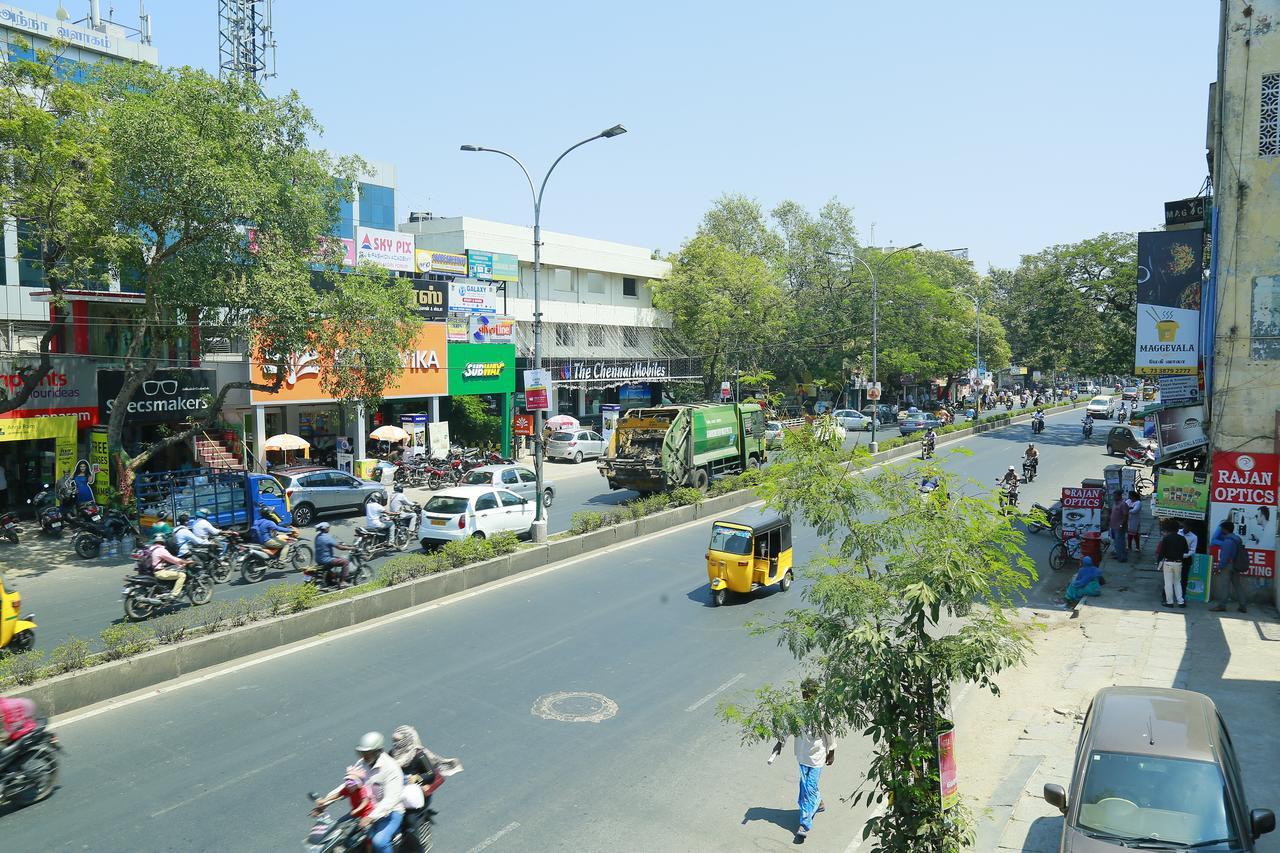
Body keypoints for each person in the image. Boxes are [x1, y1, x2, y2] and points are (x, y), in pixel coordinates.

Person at [770, 679, 835, 840]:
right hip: (802, 754)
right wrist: (780, 743)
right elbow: (789, 728)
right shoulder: (798, 710)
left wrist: (831, 750)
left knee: (808, 787)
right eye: (804, 693)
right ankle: (818, 803)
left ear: (815, 694)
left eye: (809, 694)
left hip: (817, 755)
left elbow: (829, 732)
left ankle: (804, 824)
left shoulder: (822, 711)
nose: (806, 696)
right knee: (806, 785)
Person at [348, 732, 404, 853]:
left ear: (378, 751)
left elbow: (390, 800)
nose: (364, 756)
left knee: (379, 842)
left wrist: (371, 817)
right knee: (343, 836)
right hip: (366, 808)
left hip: (389, 813)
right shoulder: (362, 763)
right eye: (362, 753)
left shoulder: (391, 768)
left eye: (368, 753)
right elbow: (350, 783)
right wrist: (327, 800)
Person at [1209, 520, 1250, 613]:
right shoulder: (1237, 538)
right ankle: (1243, 606)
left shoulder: (1228, 541)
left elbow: (1224, 558)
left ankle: (1222, 605)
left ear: (1224, 529)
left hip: (1228, 566)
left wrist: (1218, 567)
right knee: (1237, 585)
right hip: (1236, 564)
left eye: (1221, 528)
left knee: (1225, 586)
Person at [143, 532, 192, 598]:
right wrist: (185, 562)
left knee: (173, 569)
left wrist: (178, 564)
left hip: (152, 571)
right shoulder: (161, 550)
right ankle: (174, 595)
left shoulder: (151, 548)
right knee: (182, 575)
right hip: (159, 572)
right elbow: (172, 559)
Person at [1155, 519, 1189, 608]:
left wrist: (1158, 562)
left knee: (1168, 583)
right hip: (1178, 563)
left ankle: (1169, 602)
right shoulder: (1182, 538)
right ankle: (1181, 602)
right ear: (1178, 529)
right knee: (1177, 582)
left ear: (1169, 529)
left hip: (1168, 563)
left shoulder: (1166, 538)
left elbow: (1161, 552)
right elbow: (1186, 551)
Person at [313, 522, 352, 588]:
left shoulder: (317, 537)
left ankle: (331, 580)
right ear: (325, 529)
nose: (329, 529)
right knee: (345, 562)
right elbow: (340, 548)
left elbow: (328, 544)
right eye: (328, 528)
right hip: (326, 560)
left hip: (318, 560)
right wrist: (350, 548)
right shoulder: (327, 537)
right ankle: (343, 582)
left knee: (337, 559)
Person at [1179, 523, 1199, 603]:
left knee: (1184, 578)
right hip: (1175, 557)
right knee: (1172, 577)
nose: (1186, 528)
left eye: (1188, 527)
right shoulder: (1178, 532)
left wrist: (1184, 555)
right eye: (1185, 526)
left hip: (1186, 559)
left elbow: (1193, 550)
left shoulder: (1194, 537)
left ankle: (1182, 596)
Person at [1108, 491, 1129, 562]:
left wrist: (1121, 525)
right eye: (1113, 496)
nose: (1113, 497)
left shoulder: (1123, 504)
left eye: (1115, 496)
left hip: (1119, 527)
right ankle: (1118, 554)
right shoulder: (1114, 504)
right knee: (1116, 543)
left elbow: (1126, 516)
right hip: (1113, 526)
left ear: (1119, 496)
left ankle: (1122, 557)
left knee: (1120, 542)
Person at [1125, 491, 1143, 555]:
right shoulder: (1128, 501)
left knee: (1135, 534)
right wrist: (1129, 509)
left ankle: (1137, 547)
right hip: (1128, 520)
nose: (1129, 497)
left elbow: (1135, 511)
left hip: (1135, 521)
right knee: (1129, 534)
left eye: (1130, 495)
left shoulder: (1138, 503)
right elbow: (1124, 506)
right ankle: (1129, 546)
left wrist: (1127, 510)